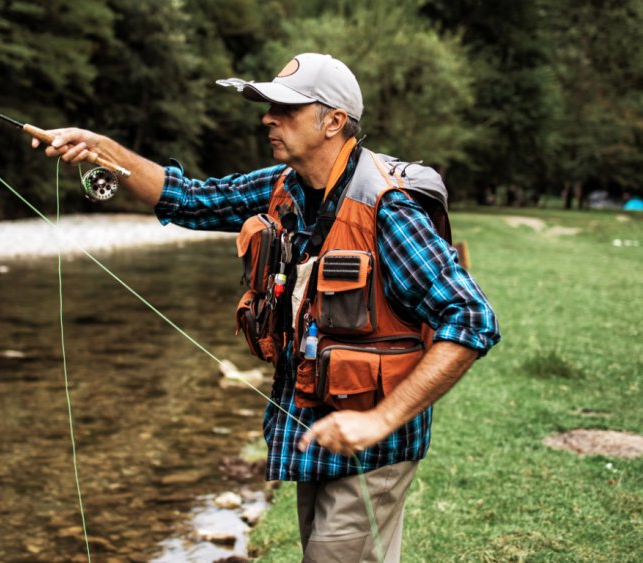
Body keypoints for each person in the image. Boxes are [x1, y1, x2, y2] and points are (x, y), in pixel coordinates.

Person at [32, 53, 500, 562]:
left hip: (373, 448)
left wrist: (381, 420)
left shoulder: (388, 208)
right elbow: (186, 198)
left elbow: (471, 317)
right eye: (268, 107)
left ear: (334, 122)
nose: (267, 118)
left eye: (286, 109)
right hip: (315, 430)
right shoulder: (285, 186)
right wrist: (100, 150)